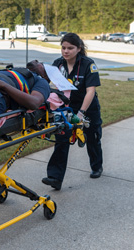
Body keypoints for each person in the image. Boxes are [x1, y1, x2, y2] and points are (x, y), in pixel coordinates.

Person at [42, 33, 103, 191]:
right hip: (66, 107)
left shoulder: (88, 64)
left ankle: (97, 166)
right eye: (63, 47)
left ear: (79, 48)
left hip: (88, 107)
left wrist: (81, 113)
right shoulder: (58, 64)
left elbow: (90, 91)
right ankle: (55, 177)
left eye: (70, 48)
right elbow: (48, 85)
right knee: (61, 138)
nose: (66, 51)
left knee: (92, 137)